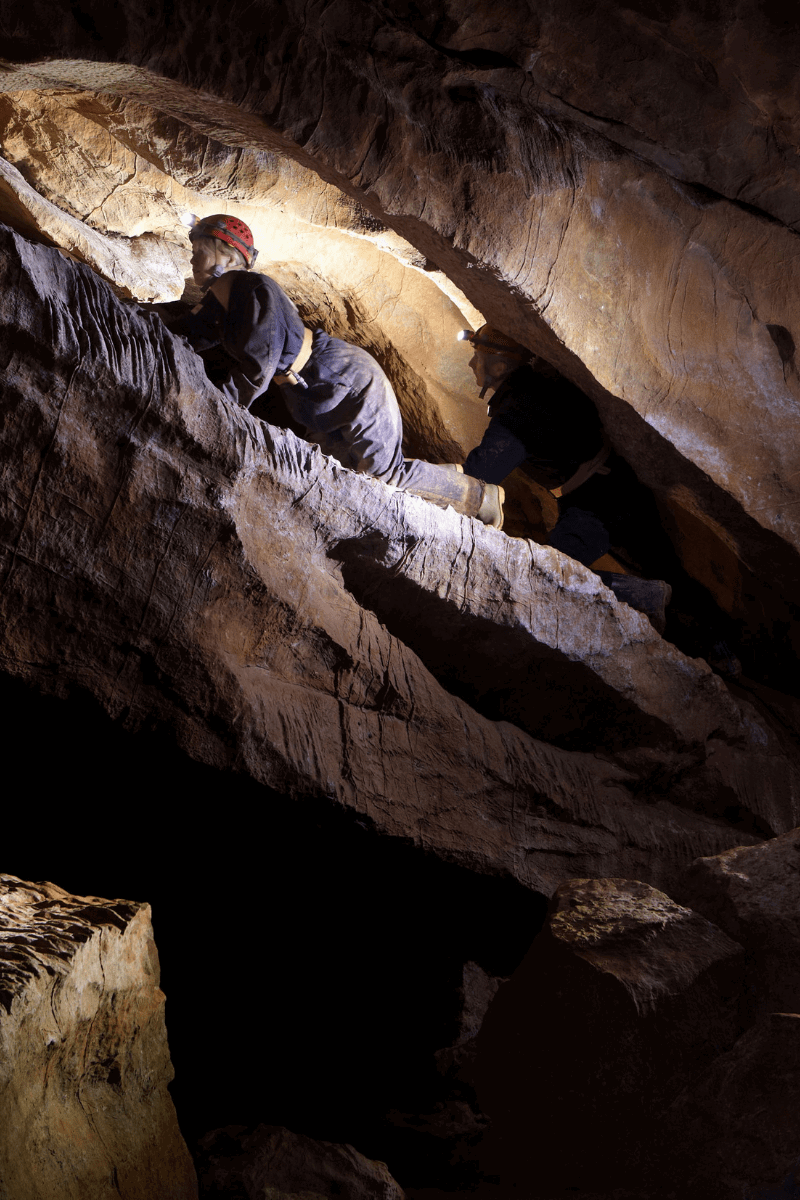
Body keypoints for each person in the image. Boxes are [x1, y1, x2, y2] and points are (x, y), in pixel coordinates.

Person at [172, 214, 504, 528]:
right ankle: (444, 480)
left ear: (229, 256)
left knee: (385, 473)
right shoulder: (220, 301)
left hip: (344, 378)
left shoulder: (252, 287)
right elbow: (188, 334)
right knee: (343, 476)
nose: (190, 255)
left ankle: (480, 497)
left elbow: (259, 364)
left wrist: (219, 405)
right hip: (308, 394)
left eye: (198, 247)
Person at [459, 325, 673, 630]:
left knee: (549, 575)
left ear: (500, 366)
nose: (471, 364)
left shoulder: (519, 410)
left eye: (476, 357)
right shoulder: (532, 390)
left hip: (598, 502)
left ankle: (641, 596)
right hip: (611, 489)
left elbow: (480, 473)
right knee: (663, 568)